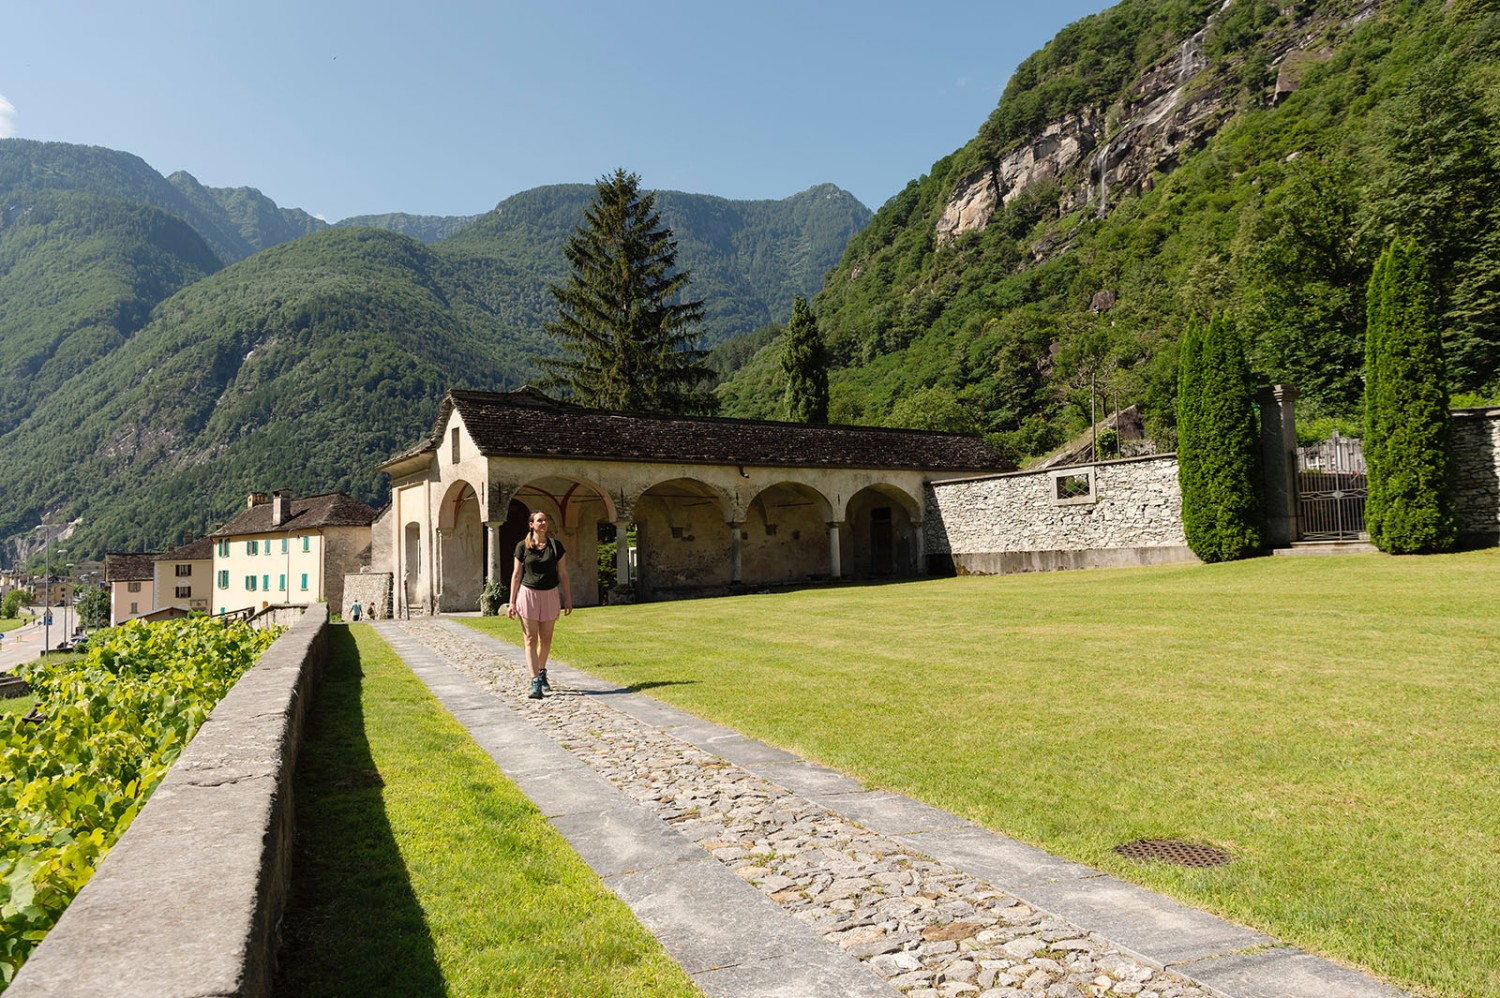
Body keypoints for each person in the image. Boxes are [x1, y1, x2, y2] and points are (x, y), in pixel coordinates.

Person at [507, 509, 572, 699]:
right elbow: (517, 575)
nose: (543, 523)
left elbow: (563, 574)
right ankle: (534, 681)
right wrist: (511, 602)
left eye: (545, 520)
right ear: (531, 524)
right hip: (528, 595)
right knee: (530, 639)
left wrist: (567, 598)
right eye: (539, 520)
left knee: (546, 639)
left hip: (550, 594)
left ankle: (542, 671)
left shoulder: (555, 546)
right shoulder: (522, 547)